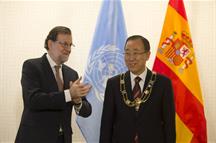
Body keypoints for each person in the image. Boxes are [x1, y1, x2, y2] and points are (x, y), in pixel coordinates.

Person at [15, 26, 92, 143]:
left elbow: (86, 111)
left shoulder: (72, 74)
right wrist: (68, 94)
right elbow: (33, 100)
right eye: (64, 44)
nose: (68, 49)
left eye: (70, 45)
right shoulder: (31, 66)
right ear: (50, 44)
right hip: (35, 138)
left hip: (63, 139)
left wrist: (78, 101)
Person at [100, 35, 176, 143]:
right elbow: (106, 125)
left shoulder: (163, 83)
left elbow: (169, 125)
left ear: (147, 55)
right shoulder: (114, 84)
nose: (131, 58)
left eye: (136, 53)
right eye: (127, 53)